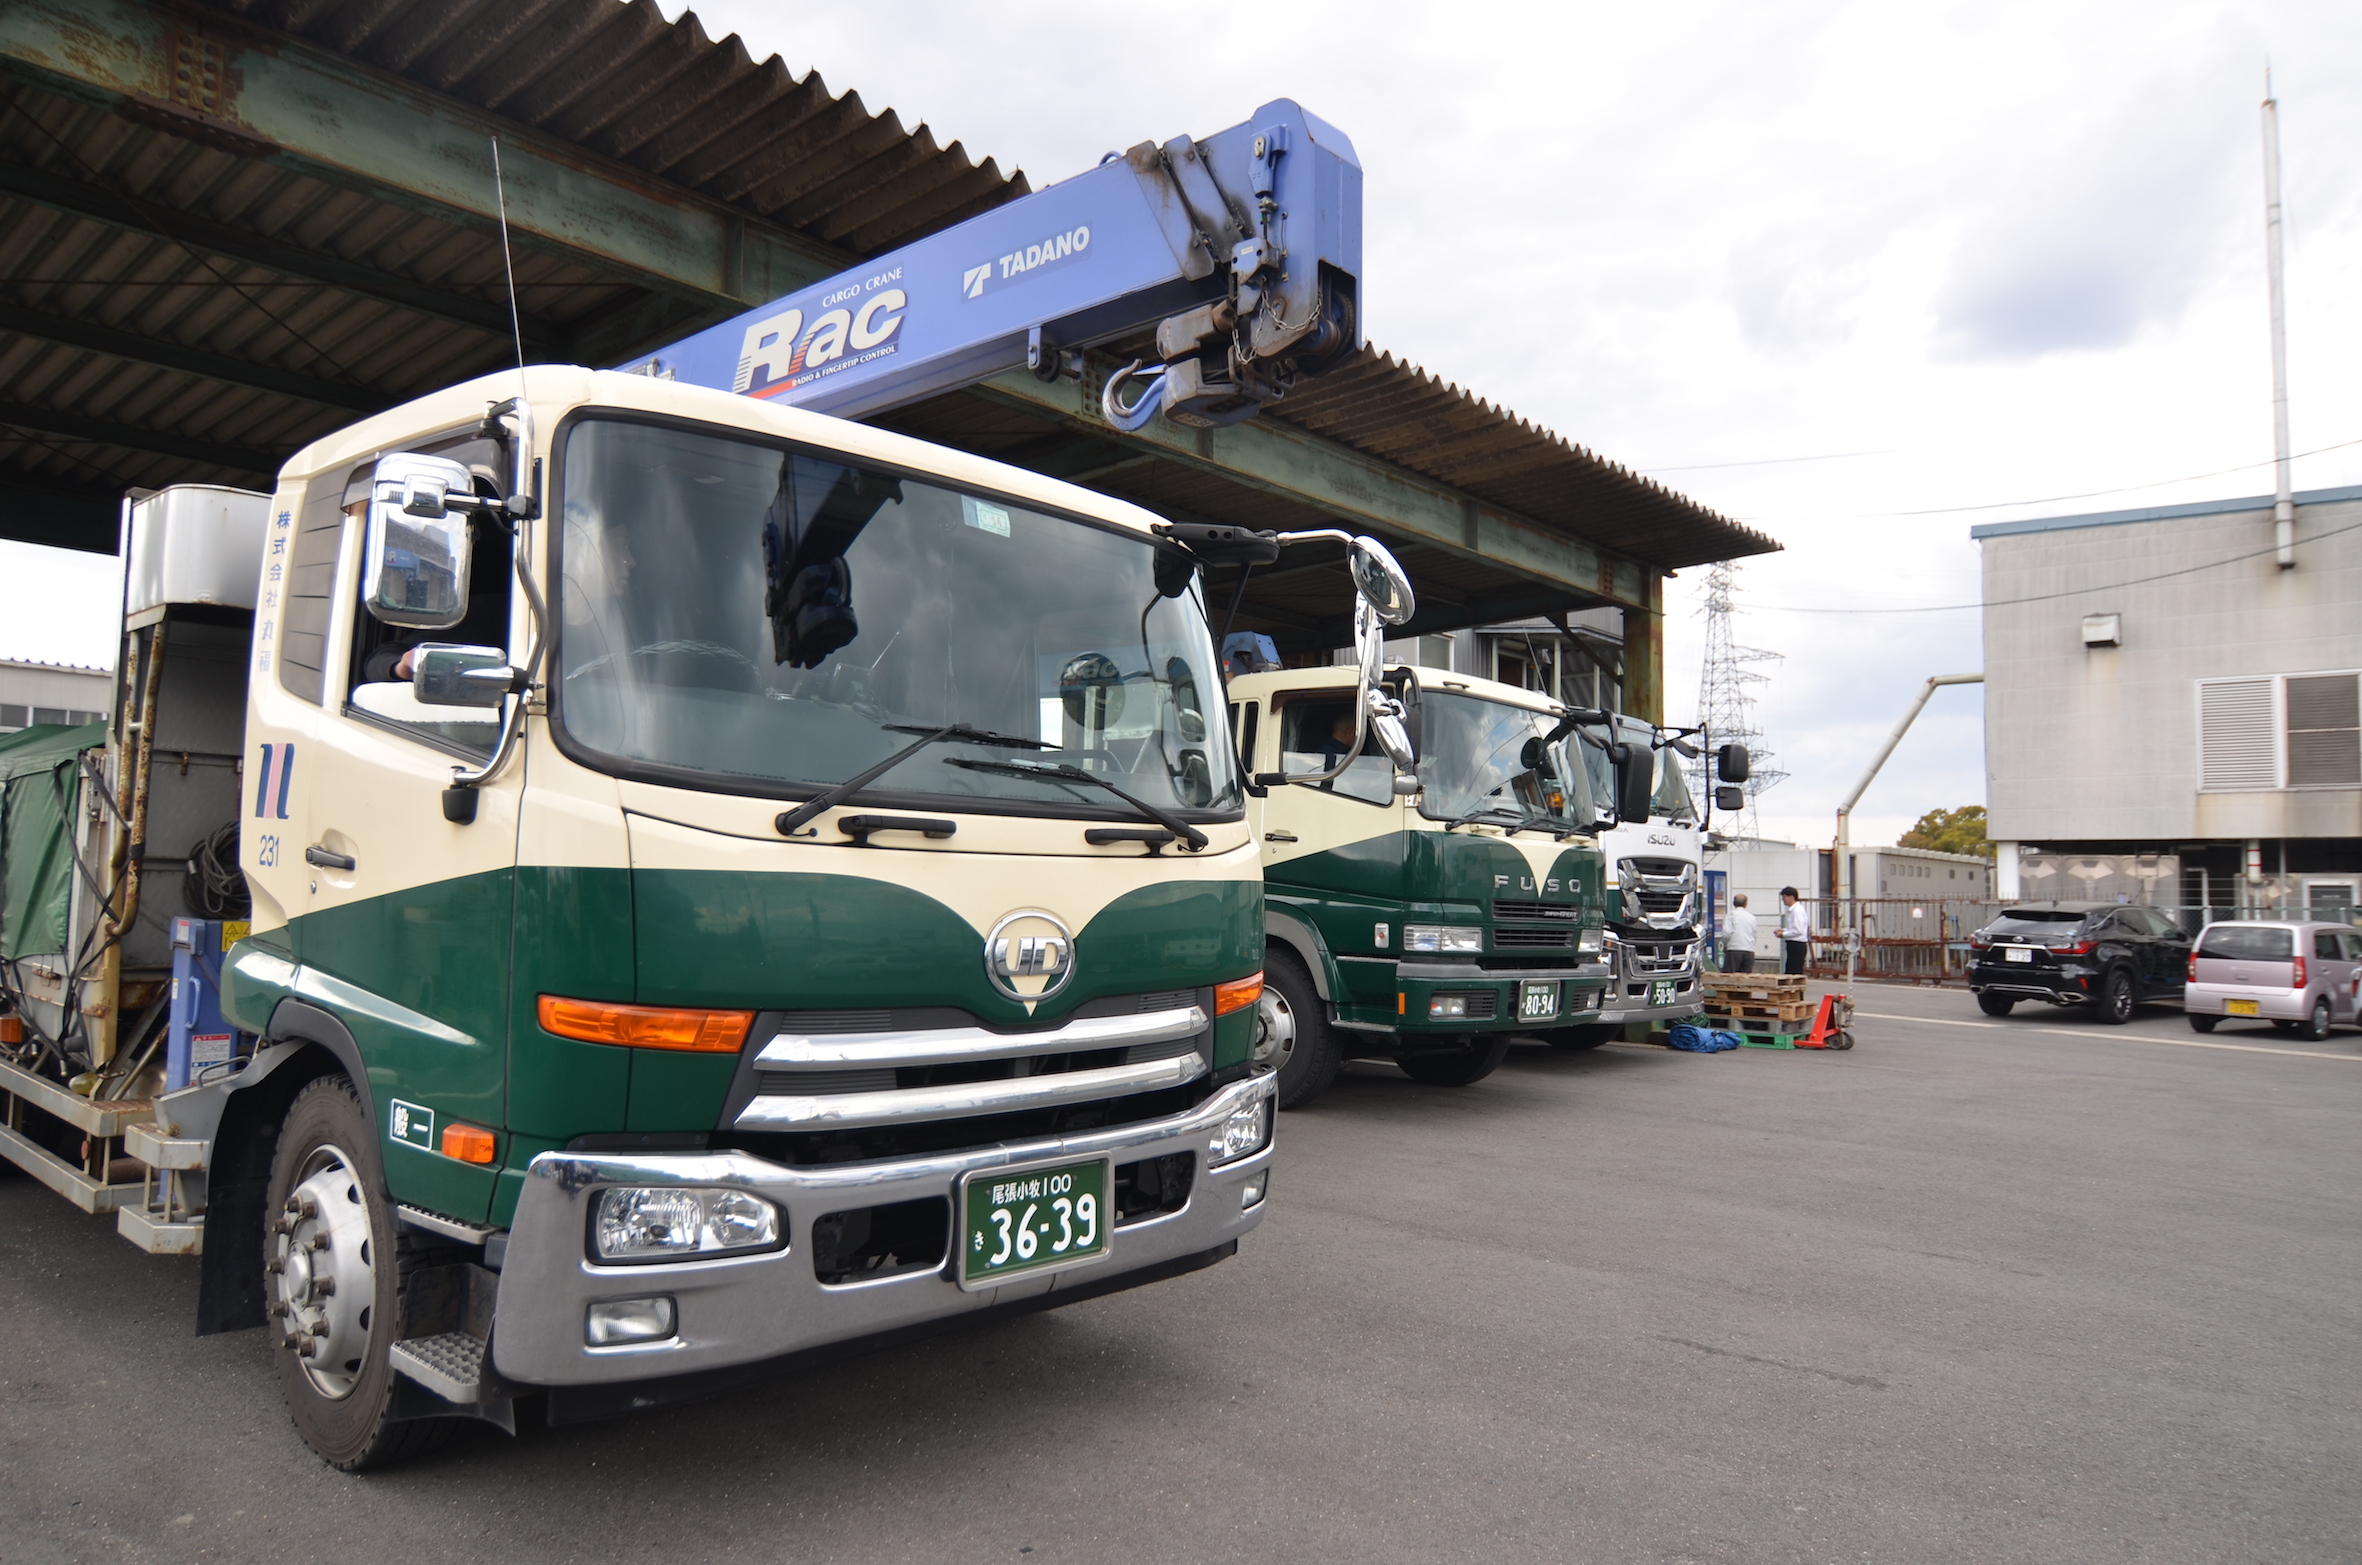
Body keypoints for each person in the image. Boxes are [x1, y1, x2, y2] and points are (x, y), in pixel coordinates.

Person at [1778, 886, 1810, 975]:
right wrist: (1783, 930)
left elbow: (1798, 930)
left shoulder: (1797, 911)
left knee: (1794, 972)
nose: (1783, 899)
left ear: (1791, 897)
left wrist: (1783, 934)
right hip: (1794, 944)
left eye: (1784, 897)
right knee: (1791, 970)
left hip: (1797, 944)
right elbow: (1794, 927)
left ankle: (1796, 989)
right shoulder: (1793, 910)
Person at [1723, 892, 1758, 972]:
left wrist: (1726, 944)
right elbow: (1754, 934)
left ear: (1733, 903)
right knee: (1745, 979)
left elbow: (1726, 933)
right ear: (1746, 904)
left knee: (1730, 978)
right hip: (1749, 950)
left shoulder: (1731, 915)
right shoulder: (1752, 917)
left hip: (1734, 949)